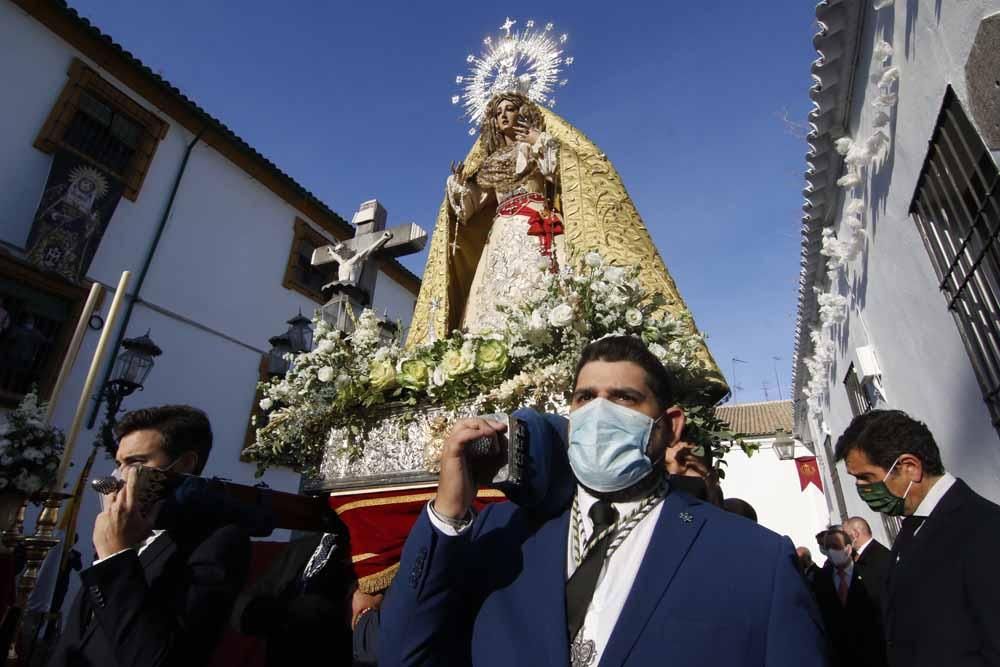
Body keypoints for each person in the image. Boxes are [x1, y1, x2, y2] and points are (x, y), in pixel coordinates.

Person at [380, 336, 826, 666]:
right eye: (585, 398)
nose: (599, 413)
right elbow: (404, 653)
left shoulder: (756, 560)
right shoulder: (501, 533)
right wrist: (449, 511)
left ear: (669, 426)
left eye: (624, 399)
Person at [48, 405, 251, 667]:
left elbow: (160, 659)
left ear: (185, 465)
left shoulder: (218, 542)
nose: (119, 477)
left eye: (136, 463)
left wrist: (115, 557)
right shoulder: (124, 530)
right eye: (119, 464)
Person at [835, 409, 1000, 667]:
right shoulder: (912, 530)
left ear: (910, 467)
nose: (861, 489)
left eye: (866, 478)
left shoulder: (983, 530)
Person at [231, 524, 354, 666]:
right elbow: (252, 596)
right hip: (279, 645)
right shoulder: (299, 547)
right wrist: (254, 611)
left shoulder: (367, 552)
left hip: (325, 648)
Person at [811, 528, 886, 667]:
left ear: (848, 549)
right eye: (828, 548)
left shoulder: (869, 573)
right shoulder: (821, 580)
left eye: (835, 546)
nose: (831, 551)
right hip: (841, 657)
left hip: (874, 654)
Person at [842, 516, 890, 607]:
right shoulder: (861, 555)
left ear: (855, 534)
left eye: (845, 535)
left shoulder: (877, 555)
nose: (844, 540)